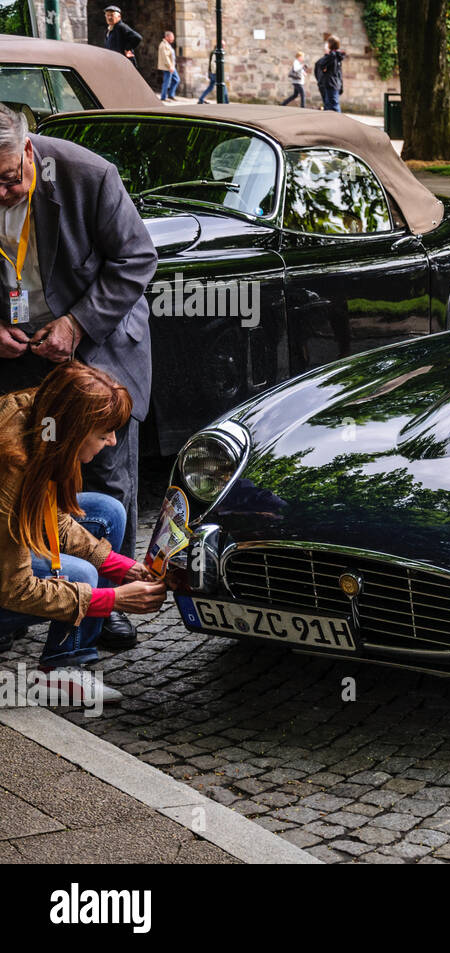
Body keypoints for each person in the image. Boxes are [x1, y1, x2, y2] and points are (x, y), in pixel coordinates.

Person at [0, 104, 157, 651]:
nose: (0, 192)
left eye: (8, 178)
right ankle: (23, 597)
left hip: (96, 337)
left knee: (105, 473)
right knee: (21, 465)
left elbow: (137, 258)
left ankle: (103, 606)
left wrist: (76, 322)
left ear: (28, 150)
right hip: (15, 346)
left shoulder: (88, 173)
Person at [0, 363, 166, 703]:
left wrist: (119, 565)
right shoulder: (11, 465)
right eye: (104, 433)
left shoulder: (41, 420)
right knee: (81, 574)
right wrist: (112, 599)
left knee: (107, 512)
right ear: (74, 431)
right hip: (7, 583)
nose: (112, 441)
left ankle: (63, 664)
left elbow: (51, 518)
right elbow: (14, 590)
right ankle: (60, 674)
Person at [314, 37, 345, 113]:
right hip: (331, 84)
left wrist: (324, 68)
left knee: (334, 106)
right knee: (328, 106)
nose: (326, 45)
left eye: (327, 43)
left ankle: (341, 123)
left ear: (330, 44)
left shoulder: (333, 55)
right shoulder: (336, 55)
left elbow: (321, 64)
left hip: (331, 84)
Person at [157, 30, 179, 102]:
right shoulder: (163, 45)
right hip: (168, 67)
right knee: (167, 82)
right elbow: (165, 57)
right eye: (172, 37)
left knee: (176, 79)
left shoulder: (167, 44)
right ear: (167, 37)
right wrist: (170, 66)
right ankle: (163, 97)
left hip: (171, 66)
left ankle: (171, 94)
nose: (173, 39)